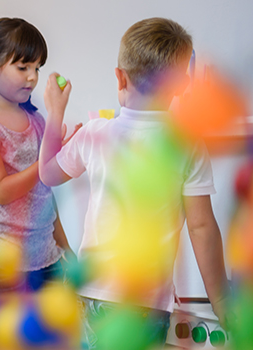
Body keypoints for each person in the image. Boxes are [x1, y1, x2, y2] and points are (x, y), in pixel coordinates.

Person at [38, 17, 230, 348]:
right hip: (148, 303)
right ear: (183, 84)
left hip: (92, 295)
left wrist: (55, 113)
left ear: (120, 77)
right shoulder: (186, 143)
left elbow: (47, 174)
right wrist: (222, 302)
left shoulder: (95, 133)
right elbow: (202, 228)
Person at [0, 17, 79, 291]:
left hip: (42, 253)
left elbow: (44, 192)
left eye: (37, 68)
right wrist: (47, 162)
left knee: (46, 333)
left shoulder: (35, 120)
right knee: (3, 332)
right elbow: (1, 191)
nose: (33, 77)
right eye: (23, 67)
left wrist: (64, 245)